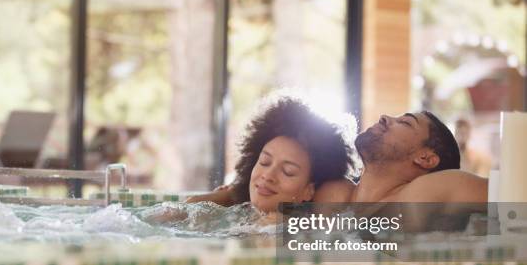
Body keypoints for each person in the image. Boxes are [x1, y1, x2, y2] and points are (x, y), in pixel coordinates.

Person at [195, 111, 488, 206]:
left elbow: (511, 196)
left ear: (426, 158)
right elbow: (256, 202)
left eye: (406, 122)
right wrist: (231, 194)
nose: (387, 117)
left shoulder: (426, 194)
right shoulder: (330, 192)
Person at [186, 96, 355, 215]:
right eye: (265, 162)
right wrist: (228, 195)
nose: (268, 176)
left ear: (308, 191)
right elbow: (171, 215)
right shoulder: (235, 212)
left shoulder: (300, 234)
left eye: (287, 171)